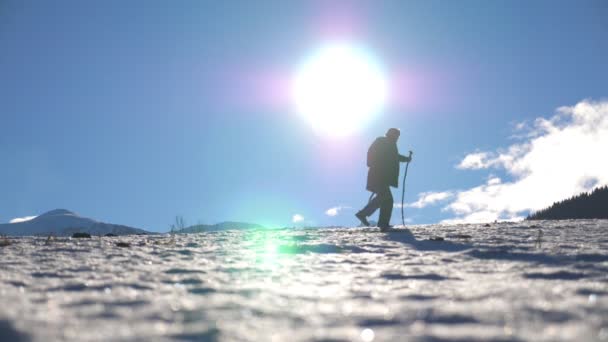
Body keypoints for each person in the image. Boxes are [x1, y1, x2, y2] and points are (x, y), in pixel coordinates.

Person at [356, 128, 412, 231]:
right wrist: (372, 163)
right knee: (384, 196)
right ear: (391, 134)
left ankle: (383, 223)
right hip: (377, 175)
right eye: (396, 135)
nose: (397, 137)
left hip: (383, 177)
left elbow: (395, 157)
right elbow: (371, 151)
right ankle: (363, 214)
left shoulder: (391, 145)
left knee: (388, 200)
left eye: (398, 136)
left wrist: (406, 159)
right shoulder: (381, 141)